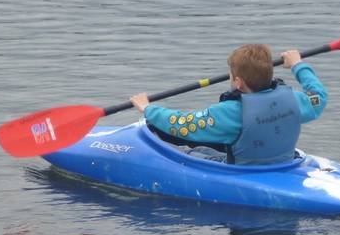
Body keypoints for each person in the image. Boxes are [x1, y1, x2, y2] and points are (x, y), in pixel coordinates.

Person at [129, 44, 327, 165]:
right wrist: (297, 65)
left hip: (243, 171)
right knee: (208, 147)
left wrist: (147, 108)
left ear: (238, 82)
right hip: (284, 163)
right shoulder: (294, 99)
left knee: (190, 151)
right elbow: (318, 95)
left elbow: (182, 124)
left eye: (231, 76)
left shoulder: (230, 112)